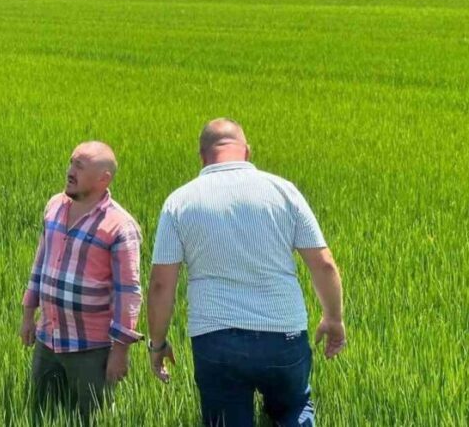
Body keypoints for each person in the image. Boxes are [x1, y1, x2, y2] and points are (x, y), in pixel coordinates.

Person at [147, 119, 346, 427]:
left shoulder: (180, 202)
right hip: (284, 333)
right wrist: (333, 318)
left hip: (216, 339)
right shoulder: (283, 190)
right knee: (293, 410)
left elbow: (161, 285)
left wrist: (157, 343)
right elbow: (324, 264)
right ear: (247, 152)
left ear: (202, 156)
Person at [20, 141, 143, 425]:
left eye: (80, 166)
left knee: (92, 419)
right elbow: (40, 264)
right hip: (48, 340)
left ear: (103, 179)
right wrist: (28, 315)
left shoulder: (119, 226)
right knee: (41, 415)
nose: (70, 171)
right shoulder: (54, 206)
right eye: (71, 162)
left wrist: (120, 352)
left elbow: (129, 294)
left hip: (91, 348)